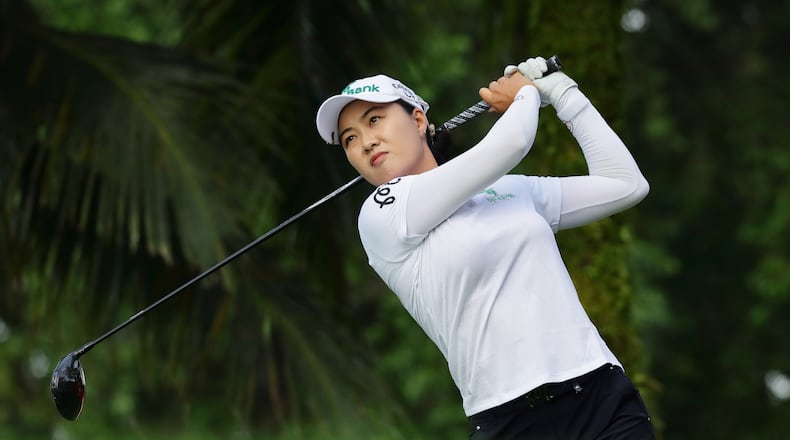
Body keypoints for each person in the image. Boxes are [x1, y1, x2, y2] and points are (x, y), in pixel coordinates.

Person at [315, 56, 655, 439]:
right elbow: (511, 141)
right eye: (350, 139)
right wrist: (526, 94)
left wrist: (562, 92)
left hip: (600, 395)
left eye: (374, 120)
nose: (366, 142)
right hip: (510, 423)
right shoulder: (381, 214)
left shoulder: (511, 190)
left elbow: (625, 185)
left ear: (417, 120)